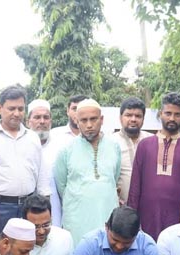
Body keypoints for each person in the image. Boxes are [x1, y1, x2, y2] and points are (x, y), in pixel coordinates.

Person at [0, 85, 50, 235]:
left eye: (21, 109)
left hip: (29, 207)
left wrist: (46, 207)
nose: (17, 113)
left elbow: (41, 177)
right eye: (11, 108)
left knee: (28, 254)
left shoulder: (33, 137)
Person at [128, 92, 180, 240]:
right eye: (168, 113)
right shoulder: (145, 145)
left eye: (177, 114)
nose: (172, 118)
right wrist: (131, 218)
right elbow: (135, 186)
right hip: (147, 216)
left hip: (179, 218)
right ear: (160, 114)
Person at [54, 98, 122, 244]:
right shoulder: (66, 151)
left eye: (93, 119)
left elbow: (113, 179)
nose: (89, 125)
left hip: (107, 215)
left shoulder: (114, 147)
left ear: (102, 119)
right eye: (83, 120)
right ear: (76, 121)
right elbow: (62, 186)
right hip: (77, 220)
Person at [26, 99, 64, 227]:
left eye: (46, 117)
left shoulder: (60, 146)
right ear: (28, 121)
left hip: (54, 208)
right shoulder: (21, 145)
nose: (42, 121)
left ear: (50, 121)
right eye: (37, 117)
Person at [110, 96, 153, 205]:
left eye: (138, 116)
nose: (133, 119)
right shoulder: (109, 142)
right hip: (119, 207)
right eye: (128, 115)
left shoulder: (152, 141)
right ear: (120, 118)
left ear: (143, 119)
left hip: (148, 205)